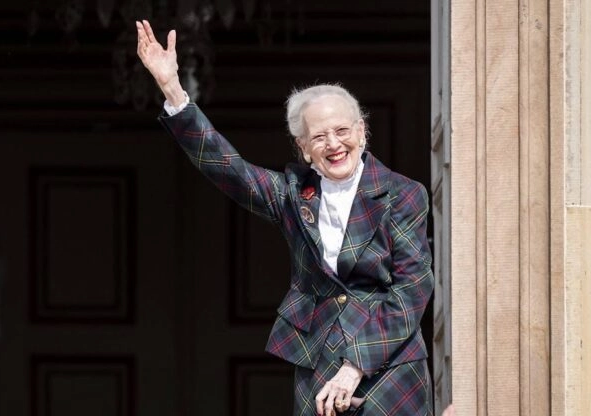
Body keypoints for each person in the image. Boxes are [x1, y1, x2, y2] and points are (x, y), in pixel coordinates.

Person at [136, 20, 434, 416]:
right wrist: (173, 89)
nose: (334, 144)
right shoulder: (293, 194)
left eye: (342, 130)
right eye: (319, 137)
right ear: (304, 147)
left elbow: (412, 289)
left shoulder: (403, 194)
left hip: (390, 366)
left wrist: (355, 365)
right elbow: (229, 169)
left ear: (362, 131)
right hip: (319, 359)